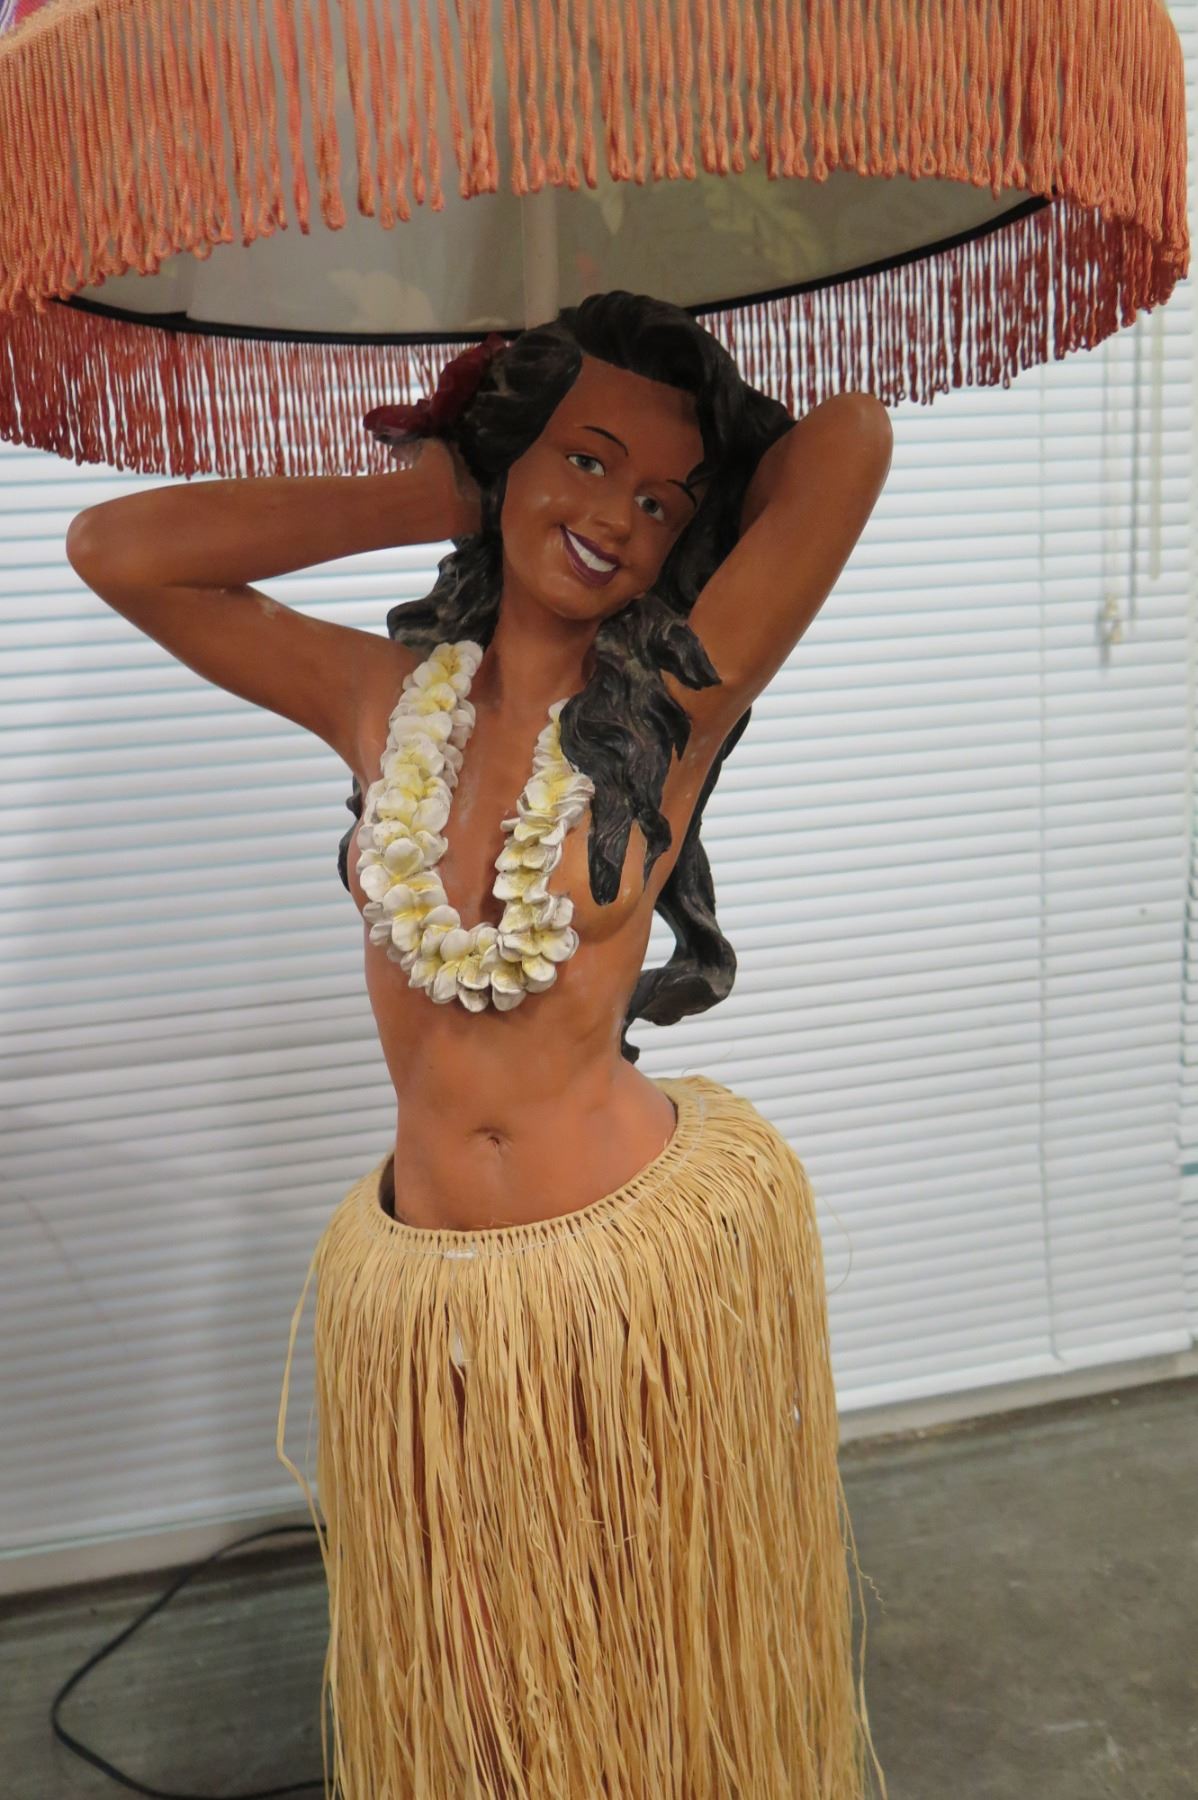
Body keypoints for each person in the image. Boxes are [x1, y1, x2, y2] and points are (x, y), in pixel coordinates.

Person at [66, 290, 893, 1798]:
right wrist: (440, 484)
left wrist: (694, 440)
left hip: (621, 1276)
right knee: (479, 1670)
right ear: (508, 465)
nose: (619, 520)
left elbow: (849, 439)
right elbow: (118, 551)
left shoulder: (671, 704)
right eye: (583, 462)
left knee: (639, 1659)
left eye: (661, 503)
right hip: (427, 1287)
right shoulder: (385, 702)